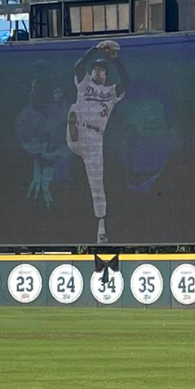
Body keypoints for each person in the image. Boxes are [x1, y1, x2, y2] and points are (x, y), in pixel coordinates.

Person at [66, 39, 128, 244]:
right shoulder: (84, 84)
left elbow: (126, 82)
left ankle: (101, 225)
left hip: (94, 139)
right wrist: (94, 50)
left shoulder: (111, 93)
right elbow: (77, 66)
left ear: (106, 74)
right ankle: (72, 126)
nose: (97, 72)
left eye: (101, 69)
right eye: (95, 69)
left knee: (97, 184)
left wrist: (114, 60)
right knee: (74, 109)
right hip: (78, 132)